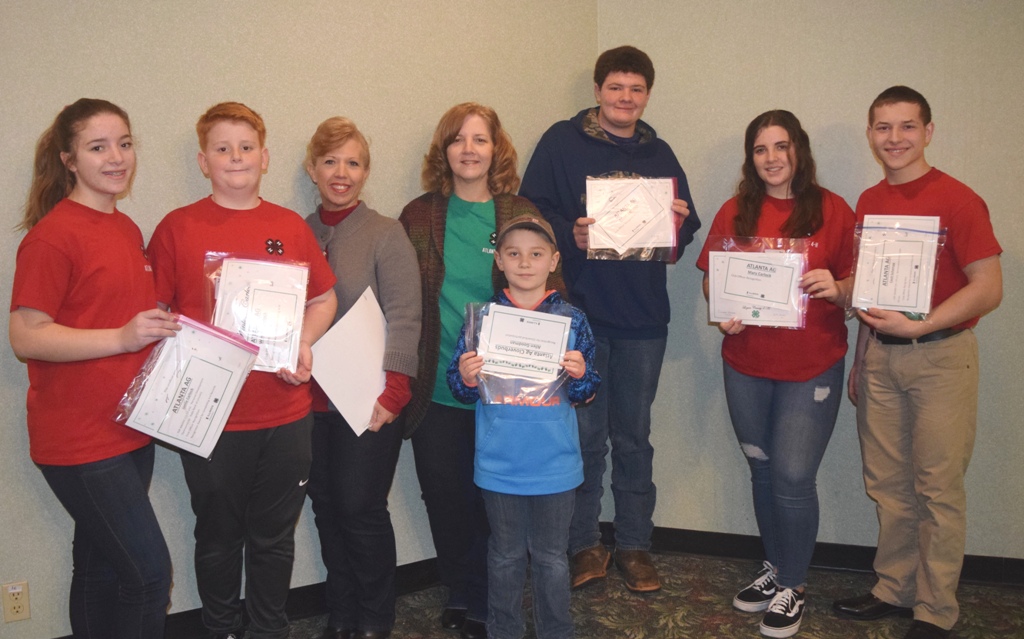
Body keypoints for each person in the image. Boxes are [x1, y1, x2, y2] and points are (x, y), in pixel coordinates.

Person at [148, 102, 338, 639]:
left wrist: (302, 343)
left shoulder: (288, 226)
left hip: (285, 413)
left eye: (246, 147)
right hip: (208, 417)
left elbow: (324, 298)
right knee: (217, 537)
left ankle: (269, 630)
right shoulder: (177, 227)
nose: (236, 157)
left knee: (274, 538)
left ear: (265, 157)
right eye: (223, 148)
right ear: (203, 161)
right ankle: (220, 629)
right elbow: (154, 315)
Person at [519, 45, 700, 592]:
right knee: (584, 438)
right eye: (616, 87)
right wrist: (568, 232)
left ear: (647, 95)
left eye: (636, 89)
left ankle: (636, 545)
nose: (625, 98)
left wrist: (677, 224)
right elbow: (528, 211)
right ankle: (583, 544)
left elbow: (687, 228)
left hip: (644, 318)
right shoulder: (561, 141)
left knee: (634, 438)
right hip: (580, 317)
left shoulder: (660, 153)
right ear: (597, 91)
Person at [832, 87, 1003, 639]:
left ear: (928, 132)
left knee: (937, 490)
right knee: (888, 484)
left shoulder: (959, 199)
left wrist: (922, 324)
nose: (895, 138)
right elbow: (872, 288)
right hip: (881, 358)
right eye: (883, 127)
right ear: (871, 134)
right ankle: (894, 588)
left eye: (907, 126)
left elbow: (989, 287)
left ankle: (934, 610)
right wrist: (862, 356)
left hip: (941, 358)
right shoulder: (869, 200)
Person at [9, 98, 179, 638]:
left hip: (129, 428)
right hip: (81, 440)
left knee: (100, 569)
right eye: (98, 147)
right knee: (150, 576)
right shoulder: (52, 236)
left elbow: (117, 313)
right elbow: (25, 336)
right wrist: (122, 336)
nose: (116, 157)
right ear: (69, 160)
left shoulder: (126, 228)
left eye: (124, 144)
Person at [399, 102, 564, 639]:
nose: (468, 149)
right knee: (443, 496)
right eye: (458, 139)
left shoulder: (520, 211)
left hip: (505, 393)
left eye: (480, 139)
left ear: (497, 149)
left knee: (493, 501)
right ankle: (461, 587)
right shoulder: (418, 216)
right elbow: (397, 299)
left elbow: (553, 291)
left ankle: (492, 598)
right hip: (438, 387)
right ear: (443, 150)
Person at [695, 110, 855, 638]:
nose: (771, 158)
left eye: (781, 146)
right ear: (751, 157)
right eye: (761, 149)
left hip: (812, 366)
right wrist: (722, 310)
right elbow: (712, 279)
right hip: (746, 364)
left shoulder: (833, 209)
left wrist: (839, 287)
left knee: (792, 477)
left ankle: (794, 584)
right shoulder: (734, 210)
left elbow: (860, 282)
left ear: (798, 150)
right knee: (762, 470)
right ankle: (777, 566)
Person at [448, 215, 600, 639]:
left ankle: (557, 632)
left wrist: (581, 374)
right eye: (513, 254)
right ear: (499, 260)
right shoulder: (483, 321)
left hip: (555, 463)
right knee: (505, 556)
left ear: (554, 260)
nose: (525, 263)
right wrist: (467, 377)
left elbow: (587, 391)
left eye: (536, 254)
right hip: (500, 463)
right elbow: (459, 388)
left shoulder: (572, 320)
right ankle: (504, 631)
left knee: (551, 557)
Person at [302, 116, 422, 639]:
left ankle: (375, 616)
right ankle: (343, 611)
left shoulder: (385, 233)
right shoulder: (296, 232)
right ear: (312, 169)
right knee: (326, 508)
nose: (341, 172)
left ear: (366, 172)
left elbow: (405, 315)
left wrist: (395, 390)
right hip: (308, 403)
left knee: (360, 508)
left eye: (353, 162)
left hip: (370, 399)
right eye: (330, 161)